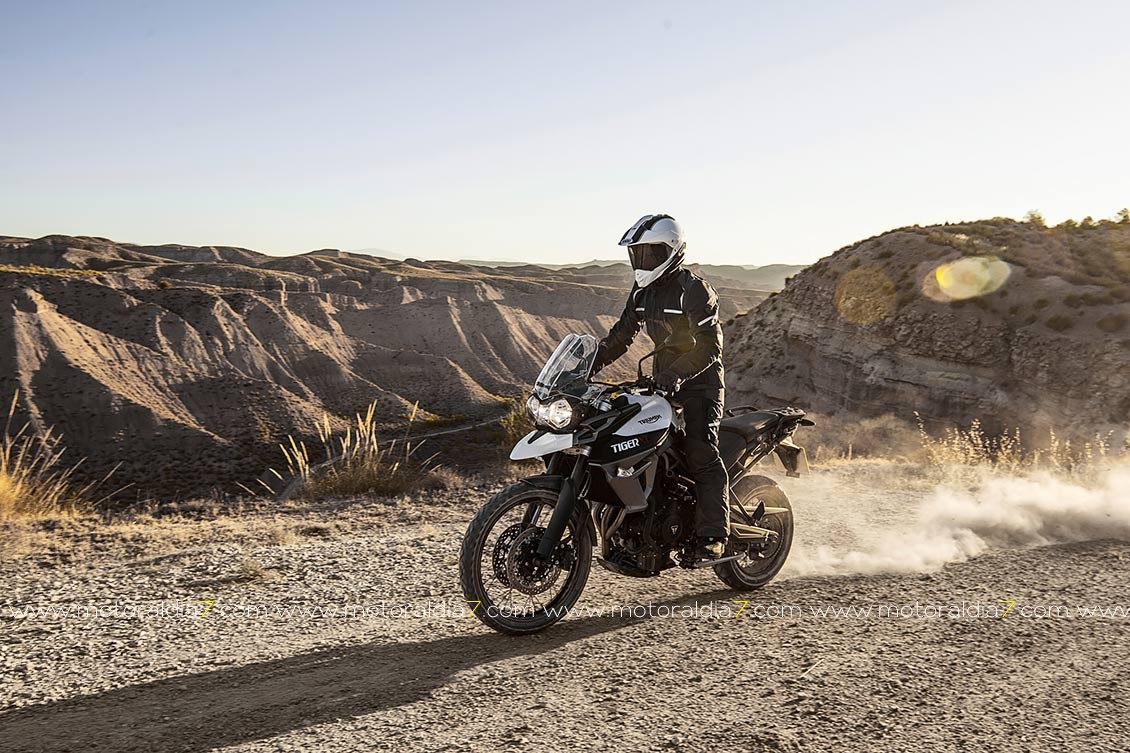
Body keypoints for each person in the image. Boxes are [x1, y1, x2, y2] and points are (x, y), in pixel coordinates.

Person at [590, 214, 729, 560]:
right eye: (637, 253)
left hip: (700, 386)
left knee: (700, 452)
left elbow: (710, 347)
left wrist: (676, 376)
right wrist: (588, 363)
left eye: (649, 253)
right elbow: (621, 337)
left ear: (671, 251)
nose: (642, 261)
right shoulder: (641, 292)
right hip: (661, 385)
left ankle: (714, 535)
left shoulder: (693, 290)